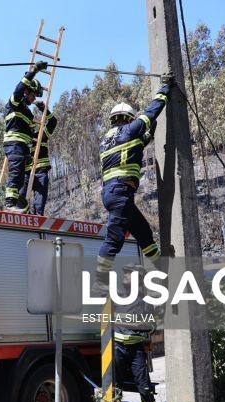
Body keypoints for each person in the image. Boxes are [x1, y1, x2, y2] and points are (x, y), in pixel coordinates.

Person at [93, 73, 177, 292]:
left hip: (114, 193)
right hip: (120, 192)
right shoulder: (129, 130)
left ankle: (163, 271)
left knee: (143, 233)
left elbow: (132, 148)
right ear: (128, 119)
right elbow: (151, 112)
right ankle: (99, 280)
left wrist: (148, 136)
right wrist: (165, 88)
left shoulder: (105, 141)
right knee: (114, 237)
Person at [113, 263, 160, 402]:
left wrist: (145, 326)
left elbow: (153, 327)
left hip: (136, 351)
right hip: (117, 347)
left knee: (144, 386)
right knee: (114, 384)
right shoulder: (116, 297)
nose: (125, 275)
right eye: (125, 272)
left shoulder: (145, 303)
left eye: (129, 273)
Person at [3, 61, 48, 213]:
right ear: (26, 92)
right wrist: (34, 70)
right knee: (15, 173)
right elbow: (19, 87)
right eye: (33, 94)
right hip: (14, 144)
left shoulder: (28, 113)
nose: (33, 98)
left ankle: (20, 204)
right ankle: (10, 204)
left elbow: (29, 134)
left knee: (21, 179)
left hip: (22, 148)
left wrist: (28, 154)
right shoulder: (14, 103)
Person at [22, 101, 58, 215]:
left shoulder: (41, 135)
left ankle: (37, 221)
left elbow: (52, 122)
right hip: (26, 174)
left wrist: (44, 109)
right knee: (20, 200)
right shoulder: (22, 139)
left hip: (41, 173)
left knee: (39, 207)